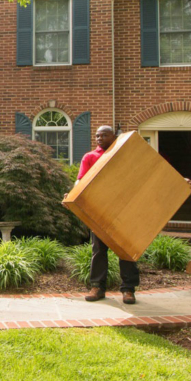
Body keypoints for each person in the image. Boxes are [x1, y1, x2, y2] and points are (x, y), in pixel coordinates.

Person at [79, 125, 139, 305]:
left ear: (114, 137)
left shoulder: (125, 156)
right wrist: (73, 194)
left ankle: (128, 289)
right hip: (99, 210)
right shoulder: (90, 157)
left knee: (127, 249)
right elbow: (80, 180)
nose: (99, 138)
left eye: (104, 135)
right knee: (98, 250)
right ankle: (97, 287)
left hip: (124, 208)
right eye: (97, 136)